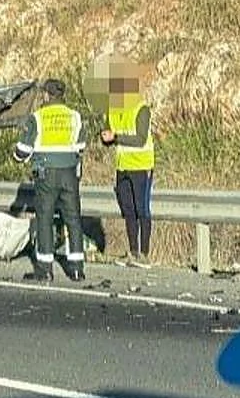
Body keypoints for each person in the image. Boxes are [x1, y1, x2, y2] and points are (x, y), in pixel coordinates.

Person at [13, 79, 87, 282]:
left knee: (44, 219)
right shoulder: (75, 116)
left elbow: (23, 151)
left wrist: (17, 155)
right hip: (70, 173)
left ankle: (45, 269)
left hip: (46, 174)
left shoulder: (37, 117)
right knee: (73, 219)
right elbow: (81, 145)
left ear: (46, 95)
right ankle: (77, 269)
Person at [100, 66, 154, 268]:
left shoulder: (141, 109)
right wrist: (106, 138)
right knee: (128, 210)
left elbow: (140, 139)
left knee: (142, 209)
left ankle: (144, 254)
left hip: (141, 165)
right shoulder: (112, 109)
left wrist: (116, 137)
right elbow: (109, 133)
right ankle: (132, 252)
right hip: (122, 166)